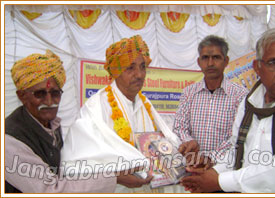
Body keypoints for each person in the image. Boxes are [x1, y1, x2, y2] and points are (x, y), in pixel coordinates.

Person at [61, 35, 186, 193]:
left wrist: (177, 153)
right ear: (116, 71)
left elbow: (162, 142)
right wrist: (116, 176)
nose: (139, 75)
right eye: (130, 68)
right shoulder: (96, 107)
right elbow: (77, 162)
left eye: (142, 67)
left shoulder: (145, 104)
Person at [180, 28, 275, 193]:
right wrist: (212, 172)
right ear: (257, 67)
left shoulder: (239, 95)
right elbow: (236, 150)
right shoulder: (249, 104)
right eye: (273, 63)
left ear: (225, 61)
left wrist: (218, 180)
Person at [5, 50, 127, 193]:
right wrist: (115, 177)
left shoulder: (51, 124)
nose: (49, 102)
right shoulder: (9, 140)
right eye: (40, 94)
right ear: (22, 96)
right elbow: (51, 190)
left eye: (55, 93)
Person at [173, 35, 248, 165]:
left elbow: (237, 137)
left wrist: (210, 158)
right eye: (205, 58)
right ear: (199, 62)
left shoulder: (240, 95)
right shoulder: (189, 93)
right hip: (191, 165)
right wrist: (190, 143)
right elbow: (179, 128)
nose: (210, 63)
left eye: (216, 57)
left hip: (224, 170)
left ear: (226, 61)